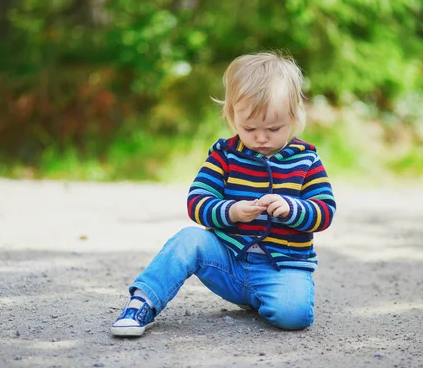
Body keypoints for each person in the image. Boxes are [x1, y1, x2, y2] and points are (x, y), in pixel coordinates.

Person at [111, 51, 336, 337]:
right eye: (249, 128)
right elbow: (197, 200)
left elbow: (325, 210)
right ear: (232, 118)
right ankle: (142, 301)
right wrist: (230, 211)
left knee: (295, 316)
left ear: (294, 117)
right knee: (188, 239)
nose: (261, 138)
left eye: (274, 128)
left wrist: (292, 208)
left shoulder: (306, 161)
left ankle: (265, 297)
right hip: (228, 261)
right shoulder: (225, 155)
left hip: (280, 266)